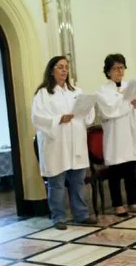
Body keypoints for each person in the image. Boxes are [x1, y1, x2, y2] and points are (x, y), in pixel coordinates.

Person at [31, 56, 98, 230]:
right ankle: (58, 217)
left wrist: (88, 107)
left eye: (66, 67)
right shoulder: (43, 93)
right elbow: (37, 118)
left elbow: (88, 117)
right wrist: (58, 119)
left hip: (76, 142)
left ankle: (81, 214)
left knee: (78, 181)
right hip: (56, 144)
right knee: (57, 183)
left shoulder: (76, 91)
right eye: (60, 67)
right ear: (51, 70)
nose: (64, 71)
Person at [94, 54, 136, 217]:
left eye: (122, 67)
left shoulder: (131, 86)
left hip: (132, 134)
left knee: (132, 170)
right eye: (116, 68)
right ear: (108, 71)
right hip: (116, 136)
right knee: (116, 172)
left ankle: (133, 202)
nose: (119, 71)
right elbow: (108, 111)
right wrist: (126, 100)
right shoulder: (102, 91)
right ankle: (118, 204)